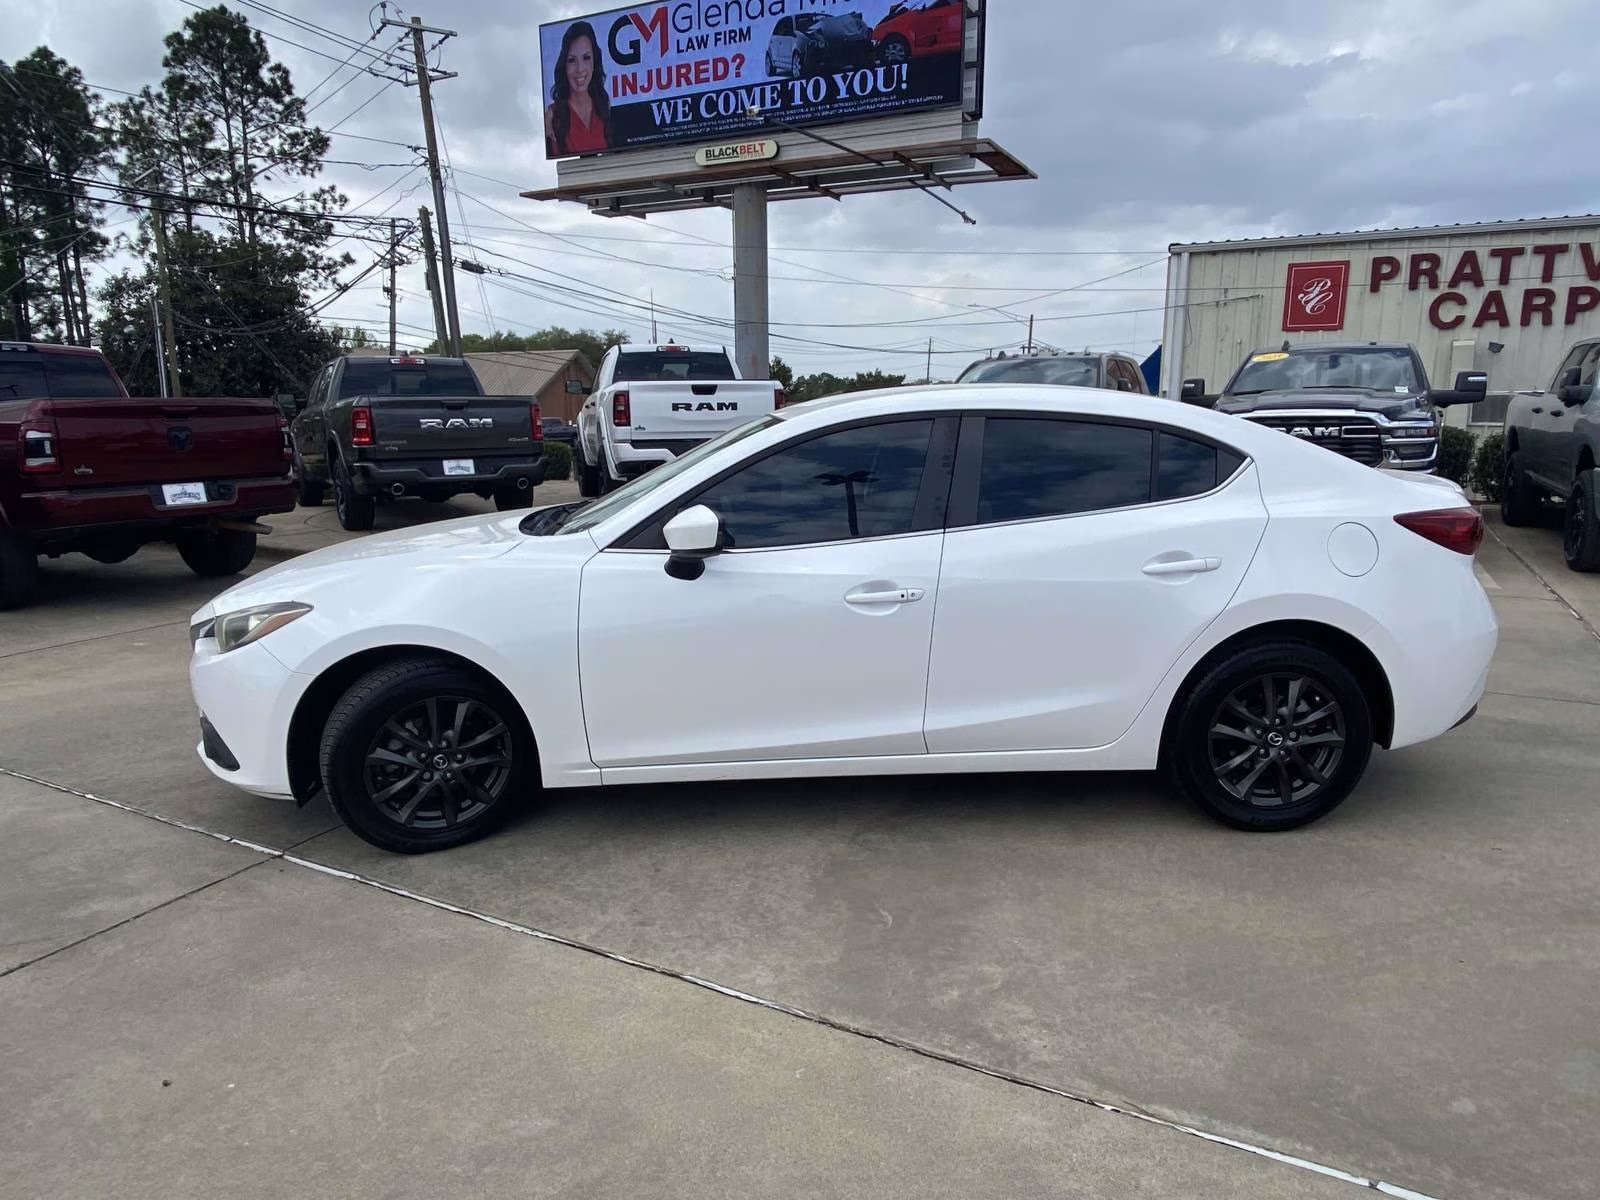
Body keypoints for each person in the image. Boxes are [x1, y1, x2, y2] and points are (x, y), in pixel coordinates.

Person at [544, 21, 612, 157]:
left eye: (586, 58)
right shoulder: (553, 116)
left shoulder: (604, 109)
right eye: (572, 60)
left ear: (594, 61)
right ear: (564, 65)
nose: (580, 69)